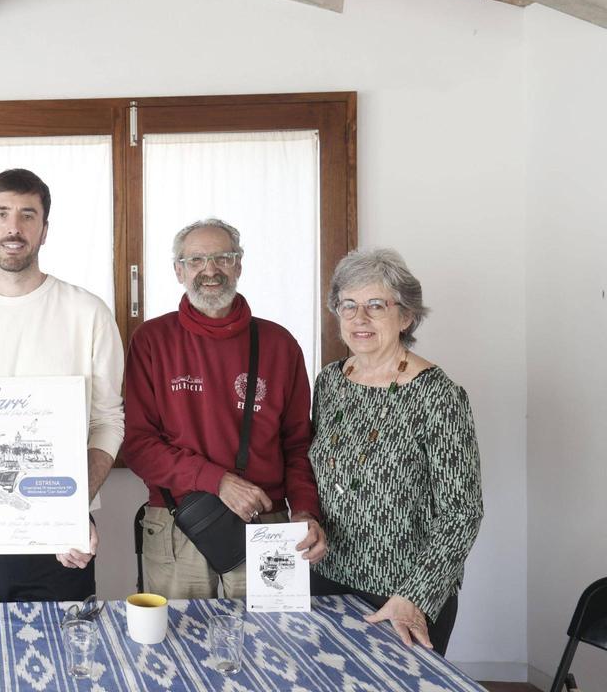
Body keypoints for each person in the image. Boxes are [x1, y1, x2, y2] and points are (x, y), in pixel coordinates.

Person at [0, 168, 125, 603]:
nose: (14, 228)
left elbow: (107, 420)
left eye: (28, 215)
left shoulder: (87, 313)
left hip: (64, 540)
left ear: (45, 229)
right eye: (1, 214)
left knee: (67, 660)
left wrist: (71, 512)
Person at [122, 218, 326, 600]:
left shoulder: (279, 344)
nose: (210, 270)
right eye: (196, 260)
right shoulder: (152, 341)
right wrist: (217, 480)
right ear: (178, 270)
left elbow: (297, 445)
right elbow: (138, 445)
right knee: (177, 651)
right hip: (177, 525)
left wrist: (304, 511)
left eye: (222, 258)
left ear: (239, 265)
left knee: (271, 651)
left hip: (267, 527)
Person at [309, 248, 482, 655]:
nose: (359, 318)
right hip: (326, 579)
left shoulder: (438, 395)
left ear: (406, 316)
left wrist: (415, 595)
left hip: (401, 592)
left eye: (375, 305)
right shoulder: (331, 381)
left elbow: (462, 512)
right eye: (347, 305)